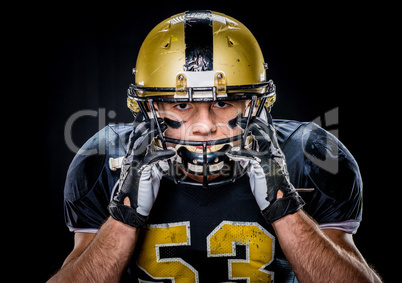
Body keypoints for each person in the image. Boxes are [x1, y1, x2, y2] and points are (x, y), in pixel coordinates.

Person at [48, 10, 381, 282]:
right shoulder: (105, 159)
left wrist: (286, 208)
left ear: (256, 103)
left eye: (225, 103)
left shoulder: (309, 155)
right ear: (148, 109)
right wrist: (123, 217)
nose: (205, 125)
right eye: (181, 105)